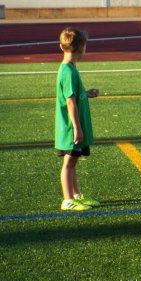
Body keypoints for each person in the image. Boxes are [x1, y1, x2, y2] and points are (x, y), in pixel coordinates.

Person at [55, 28, 100, 211]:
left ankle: (75, 195)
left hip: (73, 125)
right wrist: (77, 128)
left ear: (61, 46)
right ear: (82, 48)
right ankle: (67, 199)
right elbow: (70, 101)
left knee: (73, 161)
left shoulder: (71, 68)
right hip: (69, 127)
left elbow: (74, 94)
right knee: (69, 161)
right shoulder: (68, 71)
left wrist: (86, 93)